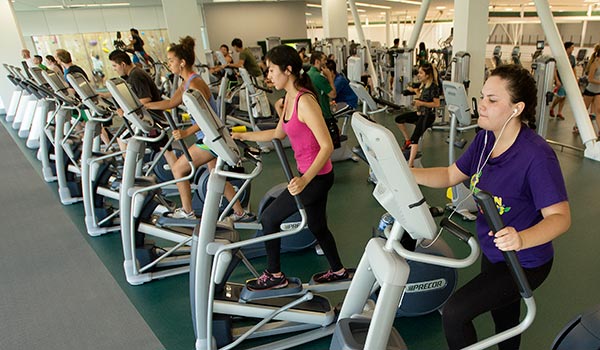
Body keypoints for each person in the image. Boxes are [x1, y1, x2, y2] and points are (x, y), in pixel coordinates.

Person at [412, 64, 570, 350]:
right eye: (482, 97)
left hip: (526, 260)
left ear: (516, 108)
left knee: (455, 314)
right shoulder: (486, 138)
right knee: (505, 319)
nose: (481, 106)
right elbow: (450, 175)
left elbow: (560, 218)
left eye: (492, 100)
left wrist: (521, 239)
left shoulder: (537, 156)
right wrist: (404, 173)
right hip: (494, 251)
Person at [233, 45, 349, 290]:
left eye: (272, 70)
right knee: (317, 225)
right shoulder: (287, 100)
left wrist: (304, 180)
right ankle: (338, 270)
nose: (269, 75)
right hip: (310, 175)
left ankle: (274, 275)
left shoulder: (305, 101)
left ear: (288, 70)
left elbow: (327, 146)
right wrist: (243, 136)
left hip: (317, 177)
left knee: (268, 218)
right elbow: (277, 134)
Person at [144, 36, 254, 222]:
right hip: (209, 137)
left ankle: (187, 211)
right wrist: (144, 107)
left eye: (171, 60)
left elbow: (208, 118)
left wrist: (186, 132)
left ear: (182, 62)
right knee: (215, 176)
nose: (169, 64)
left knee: (178, 169)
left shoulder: (195, 84)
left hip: (211, 138)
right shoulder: (185, 83)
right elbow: (171, 103)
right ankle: (240, 213)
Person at [394, 62, 441, 167]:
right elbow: (421, 95)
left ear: (427, 75)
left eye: (420, 73)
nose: (418, 75)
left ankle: (410, 166)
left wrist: (421, 103)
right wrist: (414, 91)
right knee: (398, 119)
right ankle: (407, 140)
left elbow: (437, 104)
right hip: (419, 113)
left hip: (428, 116)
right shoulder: (423, 84)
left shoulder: (434, 87)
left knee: (415, 138)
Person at [549, 41, 576, 120]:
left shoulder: (572, 58)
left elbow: (573, 68)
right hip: (560, 80)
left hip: (568, 80)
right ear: (567, 48)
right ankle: (552, 107)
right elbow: (554, 69)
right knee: (561, 96)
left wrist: (575, 79)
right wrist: (557, 80)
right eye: (571, 48)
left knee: (564, 97)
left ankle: (559, 112)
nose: (573, 49)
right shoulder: (560, 58)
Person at [578, 43, 600, 136]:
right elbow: (590, 79)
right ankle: (577, 126)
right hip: (590, 90)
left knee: (598, 110)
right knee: (584, 109)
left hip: (598, 91)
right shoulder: (595, 64)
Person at [306, 51, 336, 121]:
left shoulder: (308, 74)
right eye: (324, 60)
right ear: (317, 61)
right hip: (324, 114)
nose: (326, 62)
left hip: (314, 112)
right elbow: (333, 95)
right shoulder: (318, 77)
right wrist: (329, 76)